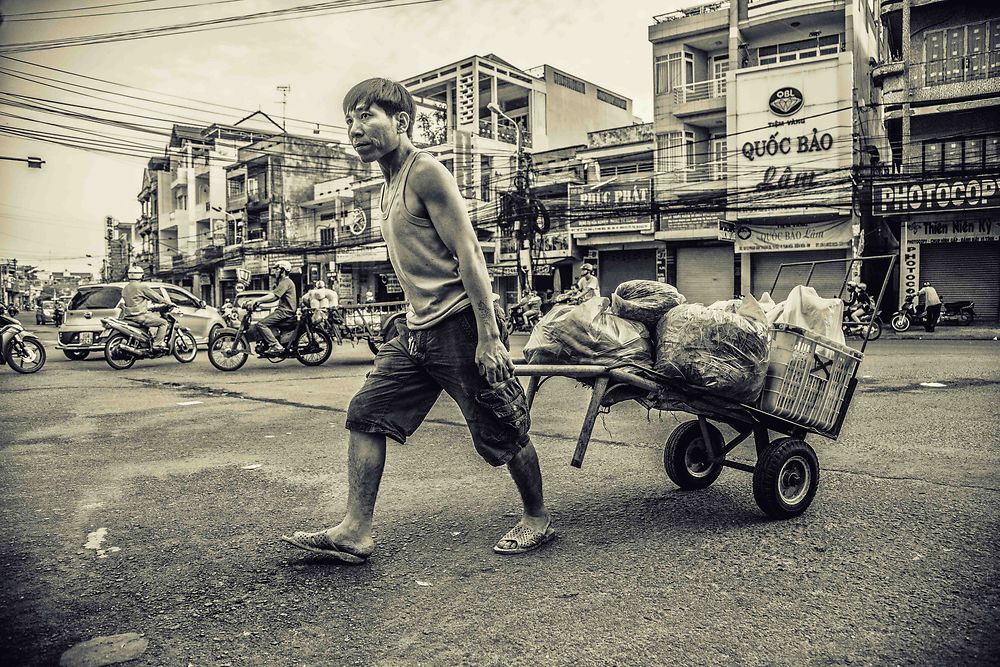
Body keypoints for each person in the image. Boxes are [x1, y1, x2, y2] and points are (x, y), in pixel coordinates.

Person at [281, 77, 552, 564]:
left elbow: (469, 254)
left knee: (501, 431)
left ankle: (536, 517)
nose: (355, 129)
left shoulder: (425, 172)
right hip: (413, 330)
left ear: (400, 121)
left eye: (367, 116)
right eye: (350, 120)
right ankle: (355, 531)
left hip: (459, 323)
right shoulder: (384, 187)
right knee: (367, 413)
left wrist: (490, 336)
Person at [253, 260, 297, 354]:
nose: (275, 271)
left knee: (261, 324)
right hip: (283, 311)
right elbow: (274, 298)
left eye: (277, 269)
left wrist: (257, 300)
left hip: (285, 311)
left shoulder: (285, 282)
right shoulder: (284, 282)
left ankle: (275, 345)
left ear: (283, 270)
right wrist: (261, 303)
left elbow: (273, 296)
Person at [120, 265, 169, 350]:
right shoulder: (141, 286)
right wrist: (168, 303)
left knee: (151, 319)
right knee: (163, 323)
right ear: (141, 276)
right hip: (140, 316)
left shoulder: (126, 288)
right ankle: (157, 344)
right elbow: (156, 297)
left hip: (128, 316)